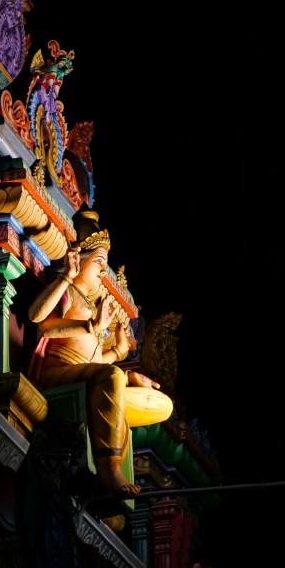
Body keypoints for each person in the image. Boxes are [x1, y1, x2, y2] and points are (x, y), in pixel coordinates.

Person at [28, 209, 173, 498]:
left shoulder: (95, 307)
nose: (103, 272)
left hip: (87, 377)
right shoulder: (67, 291)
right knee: (112, 377)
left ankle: (107, 435)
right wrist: (71, 287)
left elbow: (94, 367)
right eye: (98, 263)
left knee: (161, 404)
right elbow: (38, 321)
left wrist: (120, 357)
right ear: (77, 262)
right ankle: (109, 469)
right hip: (56, 375)